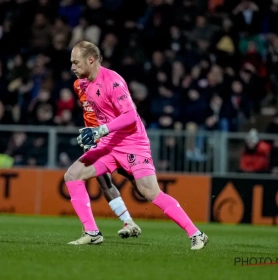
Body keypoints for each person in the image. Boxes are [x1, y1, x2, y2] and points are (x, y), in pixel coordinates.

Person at [64, 41, 208, 250]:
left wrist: (100, 130)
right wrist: (93, 134)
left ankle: (196, 234)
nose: (72, 67)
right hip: (108, 144)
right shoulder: (84, 84)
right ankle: (92, 232)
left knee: (149, 192)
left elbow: (130, 116)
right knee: (72, 175)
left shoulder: (113, 82)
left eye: (76, 63)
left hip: (132, 144)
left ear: (91, 60)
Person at [73, 78, 142, 238]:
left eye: (77, 62)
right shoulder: (77, 85)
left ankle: (173, 212)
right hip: (95, 140)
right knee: (104, 182)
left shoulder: (107, 82)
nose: (74, 67)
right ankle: (128, 222)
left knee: (142, 188)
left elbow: (125, 110)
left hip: (114, 138)